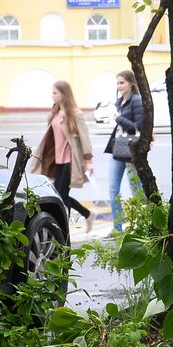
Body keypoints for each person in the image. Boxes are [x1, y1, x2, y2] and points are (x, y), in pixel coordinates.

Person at [33, 80, 95, 234]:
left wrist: (88, 160)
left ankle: (63, 230)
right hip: (57, 160)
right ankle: (87, 214)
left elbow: (85, 137)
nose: (52, 95)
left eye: (55, 93)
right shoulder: (55, 112)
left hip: (70, 160)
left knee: (61, 195)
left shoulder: (75, 114)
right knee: (58, 194)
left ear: (64, 94)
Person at [104, 70, 144, 233]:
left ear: (131, 83)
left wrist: (118, 118)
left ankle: (143, 224)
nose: (119, 86)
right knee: (113, 189)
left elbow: (138, 127)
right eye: (117, 83)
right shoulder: (120, 102)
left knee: (136, 188)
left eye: (122, 83)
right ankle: (117, 228)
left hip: (131, 150)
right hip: (118, 149)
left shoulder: (136, 101)